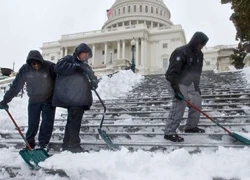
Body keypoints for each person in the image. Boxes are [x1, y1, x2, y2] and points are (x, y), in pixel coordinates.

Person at [0, 50, 56, 149]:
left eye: (38, 63)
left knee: (47, 122)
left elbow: (60, 79)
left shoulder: (49, 67)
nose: (36, 65)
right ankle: (30, 143)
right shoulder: (25, 69)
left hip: (48, 100)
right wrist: (5, 100)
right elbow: (16, 86)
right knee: (32, 122)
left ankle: (43, 144)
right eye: (34, 63)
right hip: (34, 100)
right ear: (30, 63)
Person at [52, 43, 98, 153]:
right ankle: (74, 146)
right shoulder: (69, 59)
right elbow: (58, 67)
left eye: (88, 55)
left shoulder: (86, 66)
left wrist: (94, 83)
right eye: (85, 54)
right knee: (74, 122)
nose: (86, 57)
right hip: (73, 97)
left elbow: (93, 77)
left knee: (72, 121)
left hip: (81, 98)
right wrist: (76, 67)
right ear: (79, 51)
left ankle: (67, 144)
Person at [164, 32, 209, 142]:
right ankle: (169, 132)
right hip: (175, 81)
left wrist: (197, 87)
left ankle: (191, 127)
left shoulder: (200, 55)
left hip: (188, 83)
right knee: (180, 102)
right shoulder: (181, 52)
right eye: (200, 44)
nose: (201, 47)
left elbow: (197, 72)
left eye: (203, 45)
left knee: (197, 100)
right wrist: (176, 90)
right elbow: (172, 73)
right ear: (195, 42)